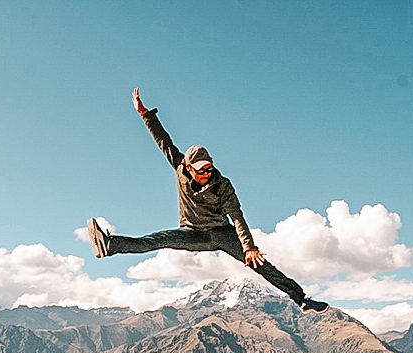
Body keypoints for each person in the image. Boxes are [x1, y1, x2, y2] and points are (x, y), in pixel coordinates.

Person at [87, 88, 328, 314]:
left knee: (260, 264)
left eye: (208, 169)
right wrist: (144, 114)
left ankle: (302, 300)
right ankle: (110, 245)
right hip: (192, 233)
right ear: (189, 168)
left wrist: (249, 247)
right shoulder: (179, 166)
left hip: (222, 233)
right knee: (155, 241)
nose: (205, 174)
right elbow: (164, 141)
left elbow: (238, 217)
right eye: (200, 171)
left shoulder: (222, 184)